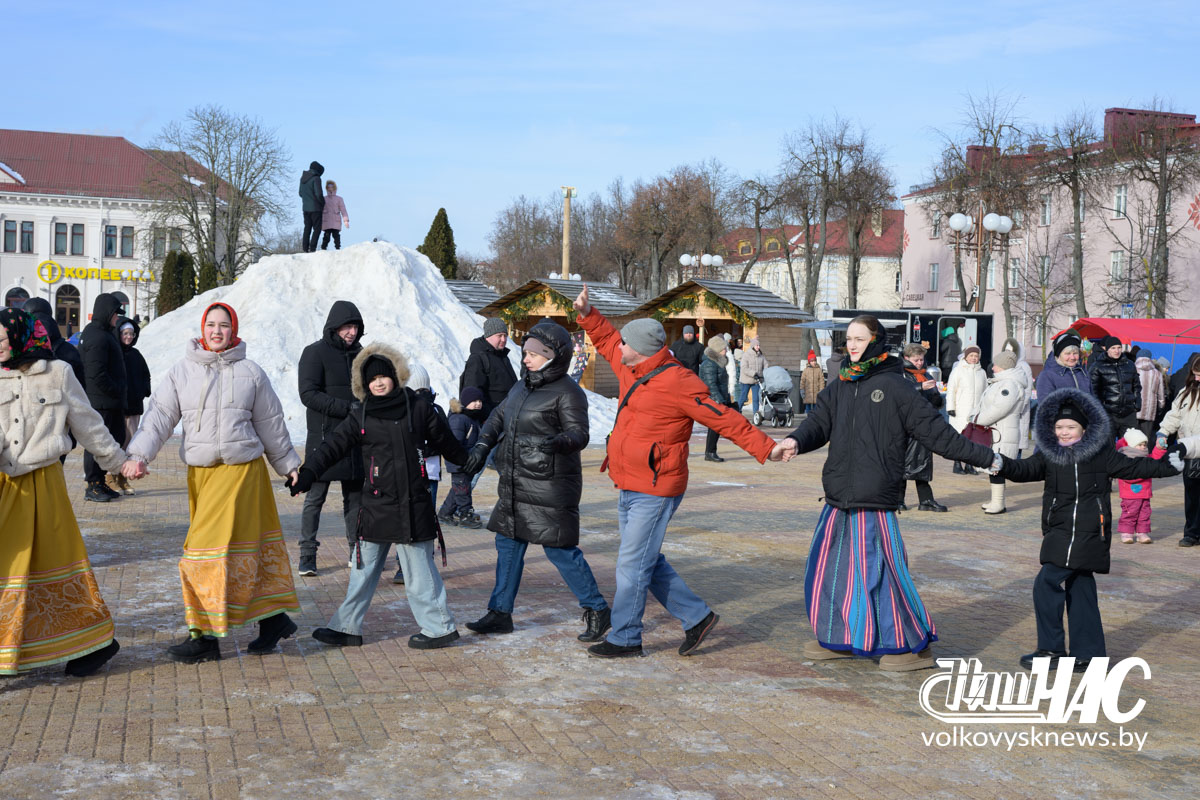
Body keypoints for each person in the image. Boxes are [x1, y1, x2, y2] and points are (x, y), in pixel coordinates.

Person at [572, 284, 787, 658]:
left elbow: (723, 418)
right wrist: (588, 315)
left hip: (656, 487)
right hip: (628, 481)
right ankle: (697, 617)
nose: (619, 347)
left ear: (640, 349)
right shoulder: (631, 366)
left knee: (631, 564)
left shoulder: (678, 381)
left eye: (626, 343)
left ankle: (626, 637)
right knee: (645, 560)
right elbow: (607, 340)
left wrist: (767, 447)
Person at [776, 316, 995, 670]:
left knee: (879, 574)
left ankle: (907, 646)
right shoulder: (841, 383)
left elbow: (938, 434)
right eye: (849, 339)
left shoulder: (896, 386)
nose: (852, 345)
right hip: (838, 497)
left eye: (859, 339)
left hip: (874, 497)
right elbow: (818, 424)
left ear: (876, 340)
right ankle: (843, 637)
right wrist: (795, 441)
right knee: (832, 571)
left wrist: (988, 459)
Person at [124, 302, 302, 663]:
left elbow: (271, 422)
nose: (217, 331)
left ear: (233, 330)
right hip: (203, 475)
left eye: (224, 325)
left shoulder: (251, 372)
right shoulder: (182, 371)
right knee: (237, 553)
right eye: (211, 325)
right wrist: (138, 454)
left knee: (203, 555)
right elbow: (159, 417)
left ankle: (204, 636)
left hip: (242, 473)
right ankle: (273, 620)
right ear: (202, 329)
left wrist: (289, 465)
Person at [291, 343, 468, 650]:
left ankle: (439, 628)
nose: (378, 383)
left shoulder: (418, 408)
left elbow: (447, 443)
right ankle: (347, 627)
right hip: (376, 504)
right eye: (371, 379)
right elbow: (332, 446)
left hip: (412, 504)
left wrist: (470, 460)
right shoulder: (360, 415)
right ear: (364, 384)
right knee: (362, 570)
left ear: (395, 376)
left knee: (419, 572)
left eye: (383, 376)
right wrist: (308, 473)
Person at [998, 389, 1182, 671]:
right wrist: (999, 463)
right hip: (1059, 529)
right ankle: (1090, 654)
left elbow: (1135, 467)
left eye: (1071, 427)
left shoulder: (1100, 454)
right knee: (1080, 586)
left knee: (1046, 584)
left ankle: (1051, 650)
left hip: (1088, 531)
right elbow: (1024, 470)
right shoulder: (1049, 454)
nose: (1064, 432)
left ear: (1084, 428)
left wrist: (1170, 465)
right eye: (1059, 427)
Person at [0, 309, 133, 677]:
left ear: (21, 336)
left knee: (58, 568)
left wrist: (118, 463)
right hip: (5, 486)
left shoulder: (58, 373)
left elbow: (88, 424)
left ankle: (95, 643)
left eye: (3, 339)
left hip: (45, 486)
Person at [462, 320, 610, 642]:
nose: (525, 358)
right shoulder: (522, 385)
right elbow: (498, 417)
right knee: (507, 544)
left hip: (549, 487)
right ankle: (500, 613)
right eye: (525, 353)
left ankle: (597, 609)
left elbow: (580, 433)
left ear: (552, 356)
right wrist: (482, 445)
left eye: (533, 354)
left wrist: (561, 442)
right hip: (516, 484)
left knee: (560, 551)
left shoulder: (568, 392)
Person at [296, 301, 365, 576]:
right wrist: (347, 408)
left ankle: (355, 551)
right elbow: (308, 394)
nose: (352, 332)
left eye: (356, 327)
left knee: (355, 500)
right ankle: (307, 555)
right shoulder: (314, 353)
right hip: (324, 439)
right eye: (347, 326)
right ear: (334, 326)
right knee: (315, 498)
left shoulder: (362, 355)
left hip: (355, 440)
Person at [78, 293, 128, 503]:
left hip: (108, 401)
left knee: (111, 439)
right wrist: (115, 389)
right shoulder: (97, 336)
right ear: (107, 312)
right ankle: (93, 484)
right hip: (101, 402)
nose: (117, 317)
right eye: (115, 313)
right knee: (97, 442)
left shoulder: (102, 333)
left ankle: (99, 481)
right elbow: (96, 373)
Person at [973, 350, 1028, 514]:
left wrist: (978, 419)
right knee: (994, 466)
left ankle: (998, 503)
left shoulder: (1009, 384)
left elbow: (999, 408)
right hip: (998, 431)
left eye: (996, 364)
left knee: (997, 467)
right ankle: (995, 500)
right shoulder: (1002, 382)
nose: (993, 367)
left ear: (1003, 366)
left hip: (1002, 433)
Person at [1157, 357, 1200, 546]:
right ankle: (1192, 532)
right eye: (1195, 374)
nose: (1197, 379)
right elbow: (1174, 415)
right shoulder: (1186, 392)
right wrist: (1163, 432)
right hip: (1189, 451)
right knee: (1192, 495)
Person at [900, 343, 948, 512]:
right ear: (907, 358)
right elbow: (900, 393)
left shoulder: (925, 374)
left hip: (924, 424)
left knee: (923, 461)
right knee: (902, 463)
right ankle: (898, 500)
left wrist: (937, 397)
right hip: (905, 425)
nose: (920, 363)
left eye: (921, 359)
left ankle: (926, 500)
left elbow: (935, 400)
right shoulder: (900, 373)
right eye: (916, 360)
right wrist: (920, 387)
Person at [438, 386, 485, 528]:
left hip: (467, 461)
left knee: (458, 489)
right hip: (458, 462)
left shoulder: (473, 418)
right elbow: (454, 443)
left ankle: (445, 513)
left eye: (480, 401)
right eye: (474, 401)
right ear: (465, 402)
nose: (478, 404)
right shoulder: (459, 419)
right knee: (463, 490)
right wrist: (462, 460)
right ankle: (465, 514)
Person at [116, 318, 151, 495]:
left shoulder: (136, 355)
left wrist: (144, 391)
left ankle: (123, 478)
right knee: (117, 443)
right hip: (118, 408)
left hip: (134, 407)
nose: (128, 337)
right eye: (125, 334)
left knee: (129, 444)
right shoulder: (115, 353)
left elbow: (146, 375)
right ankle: (111, 477)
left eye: (131, 334)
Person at [459, 318, 518, 420]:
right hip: (492, 419)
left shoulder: (502, 356)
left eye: (505, 336)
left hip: (507, 416)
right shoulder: (478, 359)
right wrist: (489, 419)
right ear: (488, 336)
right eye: (499, 336)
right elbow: (473, 393)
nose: (503, 339)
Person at [1115, 428, 1166, 544]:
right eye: (1140, 445)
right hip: (1129, 494)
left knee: (1145, 513)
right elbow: (1126, 475)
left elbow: (1156, 460)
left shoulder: (1146, 458)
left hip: (1145, 493)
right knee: (1130, 513)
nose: (1143, 447)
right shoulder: (1125, 459)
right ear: (1131, 446)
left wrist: (1159, 448)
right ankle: (1126, 532)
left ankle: (1142, 532)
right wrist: (1144, 473)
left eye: (1144, 445)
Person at [1090, 336, 1141, 439]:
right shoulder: (1097, 366)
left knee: (1129, 444)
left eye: (1119, 347)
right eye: (1113, 348)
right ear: (1107, 349)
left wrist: (1137, 403)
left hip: (1128, 413)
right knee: (1108, 445)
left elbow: (1136, 386)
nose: (1116, 351)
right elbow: (1093, 390)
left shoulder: (1129, 364)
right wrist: (1099, 408)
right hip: (1108, 413)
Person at [946, 345, 986, 474]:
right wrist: (950, 407)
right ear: (966, 357)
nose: (974, 358)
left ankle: (969, 464)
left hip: (976, 412)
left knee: (973, 439)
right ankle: (957, 464)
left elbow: (985, 392)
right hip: (960, 411)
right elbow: (951, 390)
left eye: (976, 356)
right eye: (971, 355)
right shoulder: (958, 371)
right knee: (960, 438)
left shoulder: (982, 372)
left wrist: (984, 408)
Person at [698, 335, 733, 462]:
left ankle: (711, 452)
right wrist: (719, 400)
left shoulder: (717, 363)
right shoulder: (709, 364)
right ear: (717, 350)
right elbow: (711, 385)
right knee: (715, 426)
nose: (726, 351)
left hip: (718, 398)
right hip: (713, 400)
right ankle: (710, 452)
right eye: (724, 349)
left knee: (717, 426)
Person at [1000, 338, 1033, 455]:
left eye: (1011, 351)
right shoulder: (1004, 365)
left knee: (1017, 441)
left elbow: (1027, 389)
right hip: (1005, 409)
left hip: (1019, 410)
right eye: (1006, 351)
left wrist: (1020, 407)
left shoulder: (1023, 366)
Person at [1135, 352, 1166, 440]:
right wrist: (1160, 408)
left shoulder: (1132, 370)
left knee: (1132, 439)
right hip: (1150, 411)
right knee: (1145, 439)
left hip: (1134, 411)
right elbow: (1161, 395)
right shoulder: (1157, 373)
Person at [299, 160, 326, 253]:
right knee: (317, 229)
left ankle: (305, 248)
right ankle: (312, 248)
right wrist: (323, 203)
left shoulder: (302, 178)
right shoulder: (316, 179)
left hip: (305, 208)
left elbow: (300, 193)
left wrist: (307, 199)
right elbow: (319, 194)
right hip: (316, 208)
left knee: (307, 228)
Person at [737, 338, 768, 416]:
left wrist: (765, 373)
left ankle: (756, 415)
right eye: (757, 345)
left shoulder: (761, 356)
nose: (758, 347)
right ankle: (737, 412)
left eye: (759, 345)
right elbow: (744, 368)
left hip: (756, 381)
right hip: (746, 380)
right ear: (753, 346)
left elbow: (766, 365)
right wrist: (753, 373)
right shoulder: (746, 355)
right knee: (743, 398)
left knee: (756, 399)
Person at [320, 180, 350, 251]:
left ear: (334, 188)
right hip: (326, 220)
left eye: (332, 187)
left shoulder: (339, 199)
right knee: (326, 236)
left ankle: (338, 248)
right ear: (326, 188)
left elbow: (343, 210)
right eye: (328, 187)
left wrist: (346, 220)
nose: (330, 188)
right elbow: (320, 210)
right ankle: (323, 248)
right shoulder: (324, 199)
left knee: (336, 235)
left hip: (336, 220)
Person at [800, 349, 825, 414]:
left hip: (816, 393)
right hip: (808, 393)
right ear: (809, 362)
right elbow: (802, 381)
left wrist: (821, 391)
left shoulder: (819, 370)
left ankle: (815, 418)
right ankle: (808, 417)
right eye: (812, 361)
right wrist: (802, 390)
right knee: (808, 408)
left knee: (816, 408)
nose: (814, 362)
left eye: (815, 361)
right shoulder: (806, 370)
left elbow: (821, 381)